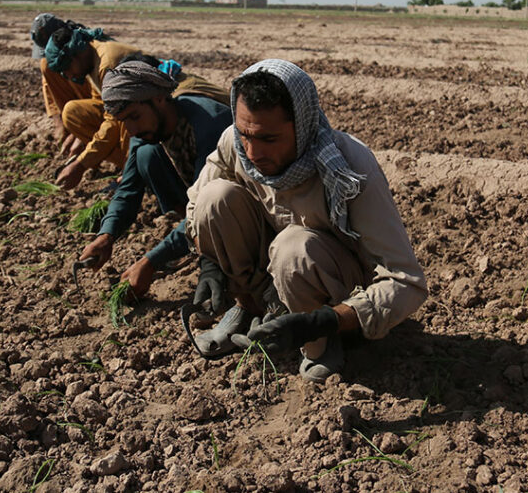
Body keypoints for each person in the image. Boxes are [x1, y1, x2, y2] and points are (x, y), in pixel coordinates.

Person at [184, 59, 428, 382]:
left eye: (269, 139)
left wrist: (323, 321)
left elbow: (406, 281)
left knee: (293, 248)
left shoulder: (350, 167)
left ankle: (320, 344)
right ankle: (252, 309)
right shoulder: (235, 144)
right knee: (214, 198)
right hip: (271, 277)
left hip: (334, 288)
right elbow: (195, 210)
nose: (253, 152)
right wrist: (211, 263)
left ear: (302, 125)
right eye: (245, 134)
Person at [78, 61, 232, 298]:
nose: (130, 129)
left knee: (211, 204)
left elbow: (204, 207)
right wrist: (106, 235)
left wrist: (151, 262)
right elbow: (128, 189)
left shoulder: (210, 125)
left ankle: (212, 250)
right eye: (123, 121)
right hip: (200, 202)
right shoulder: (146, 130)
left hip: (240, 207)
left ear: (159, 98)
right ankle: (196, 241)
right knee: (145, 155)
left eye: (134, 116)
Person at [39, 22, 226, 190]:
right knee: (74, 113)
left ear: (76, 55)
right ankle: (133, 171)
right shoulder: (93, 60)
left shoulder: (107, 65)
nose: (69, 76)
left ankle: (136, 174)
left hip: (172, 110)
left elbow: (113, 121)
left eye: (67, 69)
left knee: (129, 127)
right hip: (148, 110)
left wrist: (81, 164)